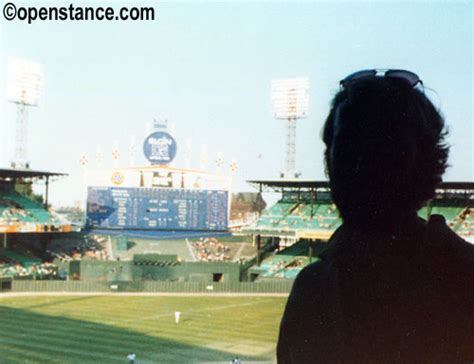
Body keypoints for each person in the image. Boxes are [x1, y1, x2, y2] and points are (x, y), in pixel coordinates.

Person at [277, 70, 474, 363]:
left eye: (386, 151)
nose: (363, 167)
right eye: (347, 149)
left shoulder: (465, 283)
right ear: (329, 163)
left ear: (427, 162)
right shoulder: (311, 288)